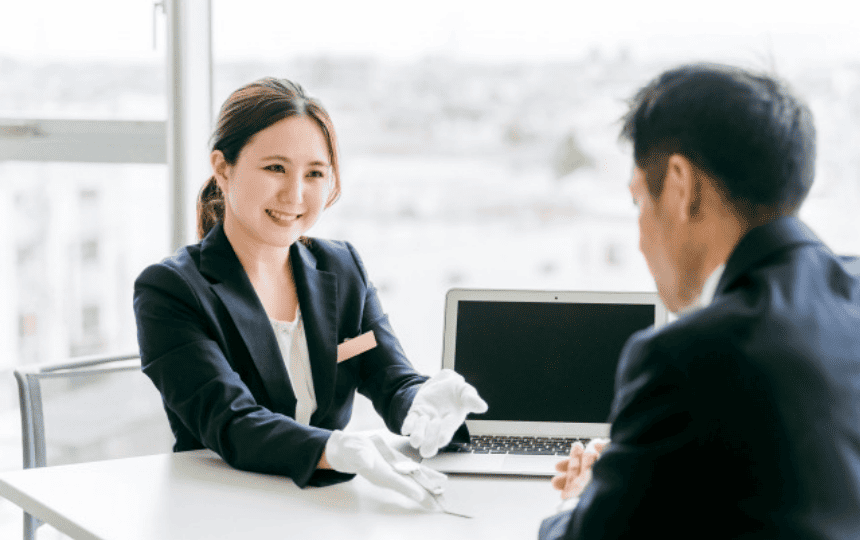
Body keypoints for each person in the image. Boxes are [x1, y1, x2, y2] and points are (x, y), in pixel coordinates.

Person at [540, 63, 860, 539]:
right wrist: (640, 466)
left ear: (680, 185)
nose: (641, 239)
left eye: (638, 203)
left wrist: (583, 498)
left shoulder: (684, 357)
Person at [133, 77, 487, 506]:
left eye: (315, 173)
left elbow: (387, 374)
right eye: (275, 168)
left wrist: (419, 403)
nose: (295, 194)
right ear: (223, 169)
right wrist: (333, 449)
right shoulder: (171, 290)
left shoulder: (342, 268)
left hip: (324, 507)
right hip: (221, 507)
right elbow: (232, 421)